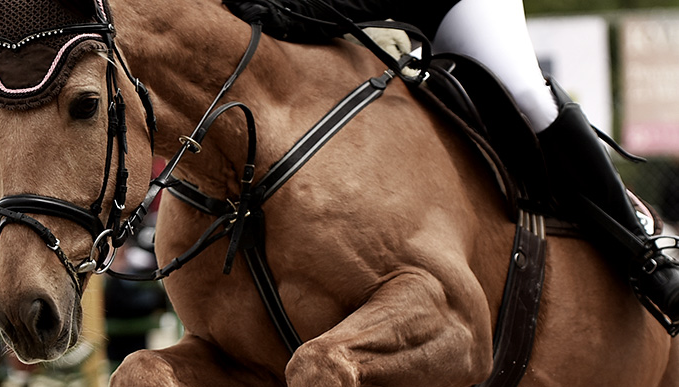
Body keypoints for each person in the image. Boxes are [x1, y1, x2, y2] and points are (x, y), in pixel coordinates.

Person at [223, 0, 679, 331]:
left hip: (451, 6)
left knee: (524, 95)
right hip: (364, 17)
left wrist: (287, 10)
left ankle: (645, 249)